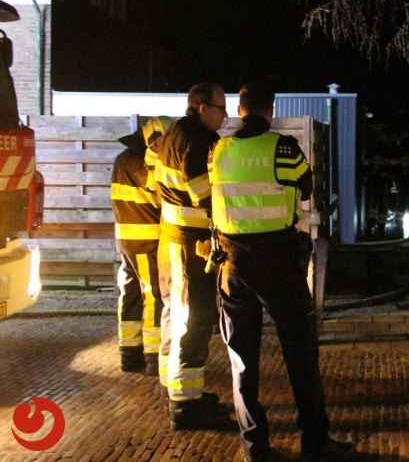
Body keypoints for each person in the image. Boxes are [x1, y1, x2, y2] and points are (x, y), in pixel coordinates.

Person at [208, 82, 355, 462]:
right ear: (269, 110)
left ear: (239, 110)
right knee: (301, 355)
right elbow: (306, 188)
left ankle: (254, 448)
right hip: (277, 263)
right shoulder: (283, 147)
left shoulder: (218, 149)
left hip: (232, 265)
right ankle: (315, 444)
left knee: (242, 360)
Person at [153, 82, 230, 430]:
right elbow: (204, 193)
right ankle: (185, 406)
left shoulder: (176, 132)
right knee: (192, 319)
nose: (225, 115)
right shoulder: (195, 139)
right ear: (202, 107)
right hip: (187, 243)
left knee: (187, 316)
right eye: (220, 107)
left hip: (179, 239)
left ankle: (186, 394)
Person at [111, 116, 173, 376]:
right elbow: (158, 192)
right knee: (154, 295)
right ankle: (152, 355)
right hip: (146, 240)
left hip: (127, 240)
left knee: (131, 294)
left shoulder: (123, 159)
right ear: (153, 139)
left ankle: (129, 352)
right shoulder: (138, 162)